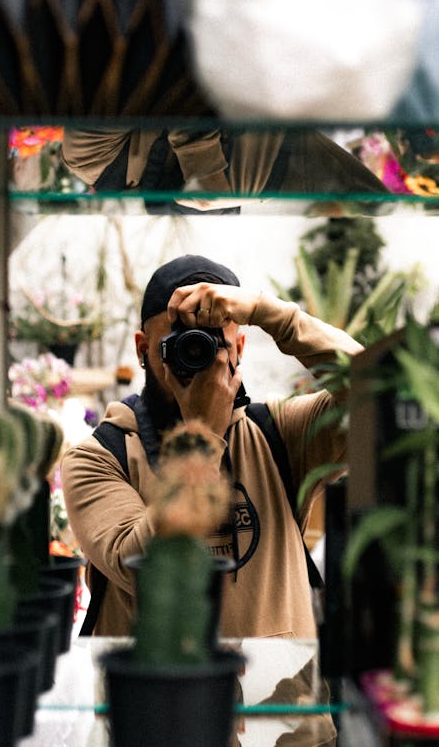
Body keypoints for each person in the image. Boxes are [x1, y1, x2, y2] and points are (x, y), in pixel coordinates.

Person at [61, 253, 363, 642]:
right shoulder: (100, 457)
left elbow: (383, 395)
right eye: (178, 341)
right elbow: (146, 570)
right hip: (153, 697)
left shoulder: (278, 433)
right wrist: (202, 436)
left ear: (239, 347)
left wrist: (268, 313)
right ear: (142, 348)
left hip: (279, 696)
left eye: (211, 342)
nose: (195, 356)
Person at [61, 126, 388, 214]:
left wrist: (205, 173)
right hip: (281, 172)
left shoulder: (85, 154)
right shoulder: (86, 156)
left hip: (277, 160)